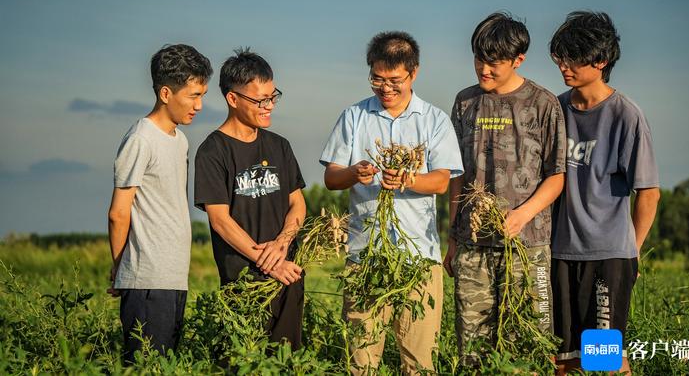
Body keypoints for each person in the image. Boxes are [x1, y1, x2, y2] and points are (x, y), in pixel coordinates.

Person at [320, 31, 463, 374]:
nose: (385, 88)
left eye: (394, 80)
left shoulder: (434, 120)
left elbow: (442, 181)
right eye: (377, 79)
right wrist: (355, 172)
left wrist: (408, 179)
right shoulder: (354, 117)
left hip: (419, 258)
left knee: (419, 362)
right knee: (361, 361)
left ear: (413, 73)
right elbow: (331, 178)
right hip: (365, 256)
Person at [443, 12, 567, 367]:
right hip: (472, 246)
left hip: (528, 246)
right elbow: (457, 175)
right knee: (472, 350)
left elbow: (557, 175)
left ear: (518, 60)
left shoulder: (543, 103)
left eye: (494, 63)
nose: (484, 69)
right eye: (479, 59)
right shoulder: (465, 102)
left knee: (529, 344)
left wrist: (523, 214)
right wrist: (452, 236)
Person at [549, 11, 660, 375]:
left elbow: (648, 192)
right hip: (560, 253)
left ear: (600, 61)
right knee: (563, 360)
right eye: (560, 56)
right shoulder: (556, 109)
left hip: (609, 255)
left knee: (604, 358)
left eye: (573, 57)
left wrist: (633, 250)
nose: (564, 65)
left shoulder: (626, 115)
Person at [194, 49, 306, 349]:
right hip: (244, 281)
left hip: (288, 274)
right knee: (242, 360)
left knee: (287, 361)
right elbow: (219, 220)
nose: (269, 106)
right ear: (233, 99)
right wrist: (266, 262)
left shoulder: (280, 146)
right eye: (260, 100)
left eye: (273, 97)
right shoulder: (212, 151)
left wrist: (282, 243)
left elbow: (297, 203)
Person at [108, 44, 213, 362]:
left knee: (165, 364)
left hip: (173, 276)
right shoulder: (141, 138)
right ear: (166, 93)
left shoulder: (180, 140)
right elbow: (118, 212)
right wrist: (119, 268)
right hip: (146, 278)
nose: (199, 105)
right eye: (193, 95)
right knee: (144, 365)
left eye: (202, 95)